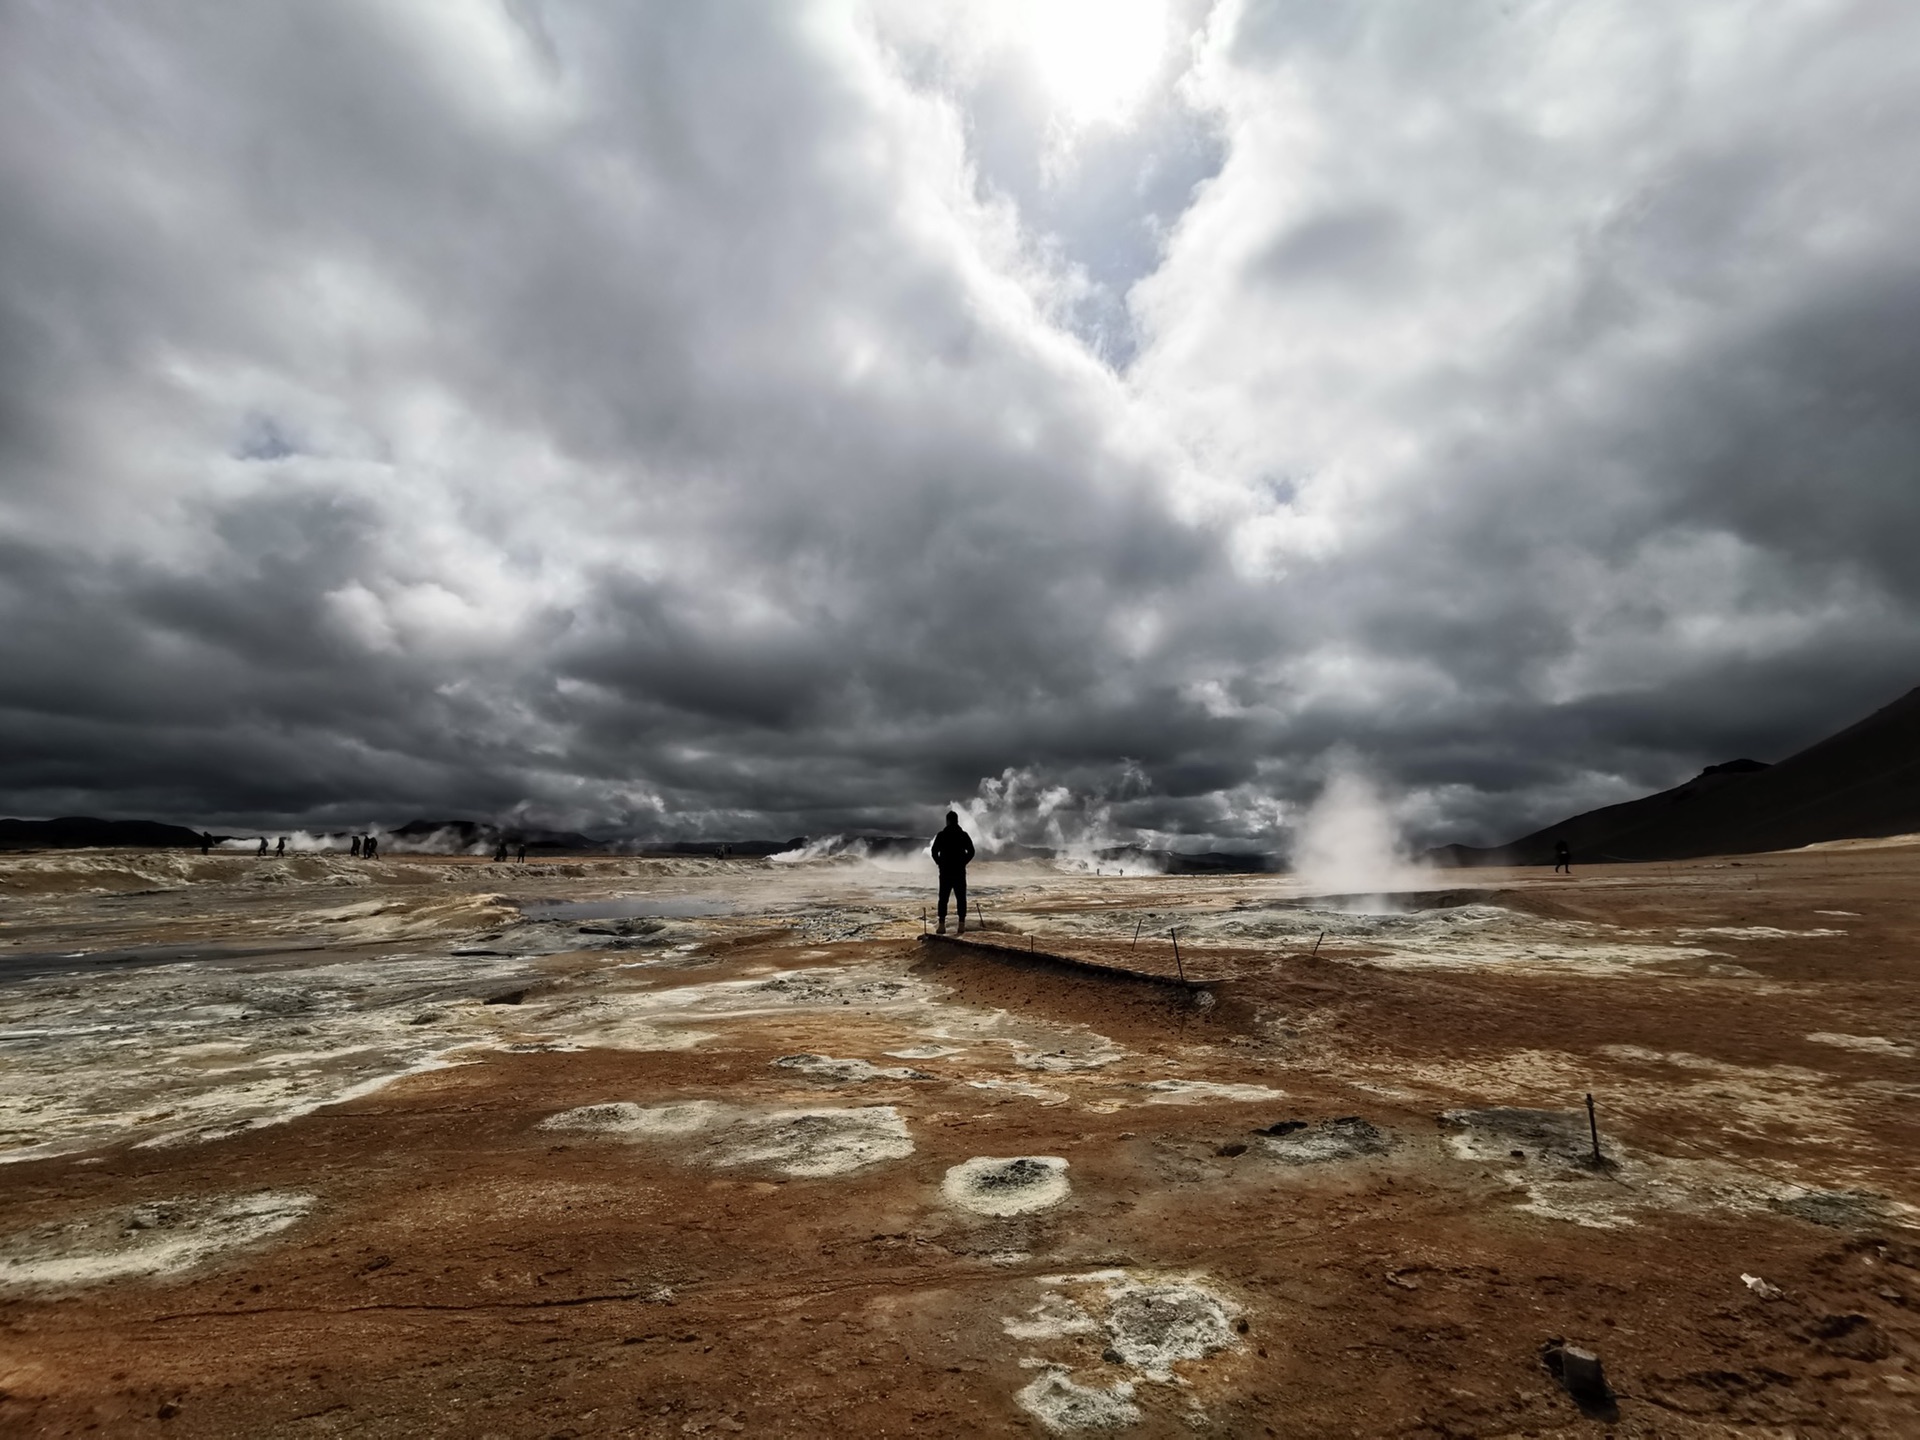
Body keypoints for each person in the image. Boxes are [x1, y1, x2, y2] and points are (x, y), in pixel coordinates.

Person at [929, 810, 975, 935]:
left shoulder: (941, 835)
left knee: (943, 898)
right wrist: (963, 862)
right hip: (959, 871)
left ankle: (942, 925)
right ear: (957, 820)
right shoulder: (963, 835)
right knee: (961, 898)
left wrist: (940, 863)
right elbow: (971, 851)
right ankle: (961, 925)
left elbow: (934, 851)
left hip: (945, 872)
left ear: (947, 821)